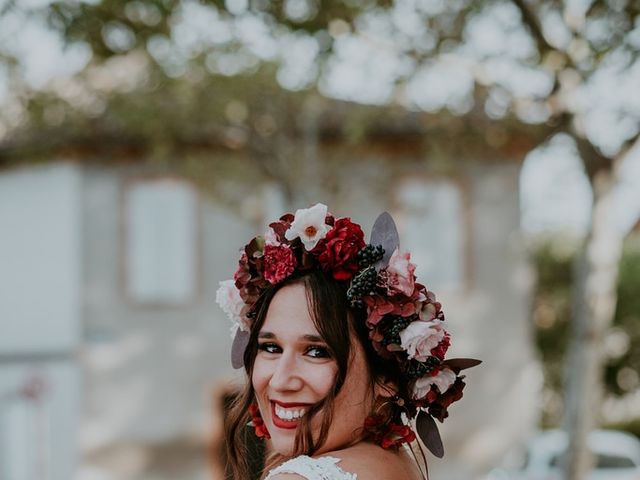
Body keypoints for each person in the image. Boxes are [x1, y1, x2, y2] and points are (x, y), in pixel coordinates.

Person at [216, 203, 480, 480]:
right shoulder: (397, 466)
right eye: (271, 347)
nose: (280, 381)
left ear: (386, 378)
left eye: (317, 352)